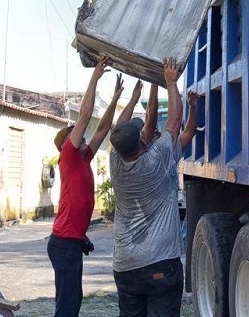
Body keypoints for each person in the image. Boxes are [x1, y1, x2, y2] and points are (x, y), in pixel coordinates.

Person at [108, 58, 185, 316]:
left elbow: (120, 130)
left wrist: (138, 95)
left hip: (125, 266)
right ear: (142, 143)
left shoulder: (116, 162)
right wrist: (170, 81)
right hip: (159, 263)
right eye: (141, 134)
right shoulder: (154, 161)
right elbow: (173, 122)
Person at [48, 56, 124, 317]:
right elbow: (85, 115)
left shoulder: (83, 157)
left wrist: (115, 99)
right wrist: (96, 76)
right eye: (74, 133)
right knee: (68, 306)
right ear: (66, 143)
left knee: (73, 301)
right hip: (64, 244)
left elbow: (102, 128)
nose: (79, 134)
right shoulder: (68, 155)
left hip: (71, 242)